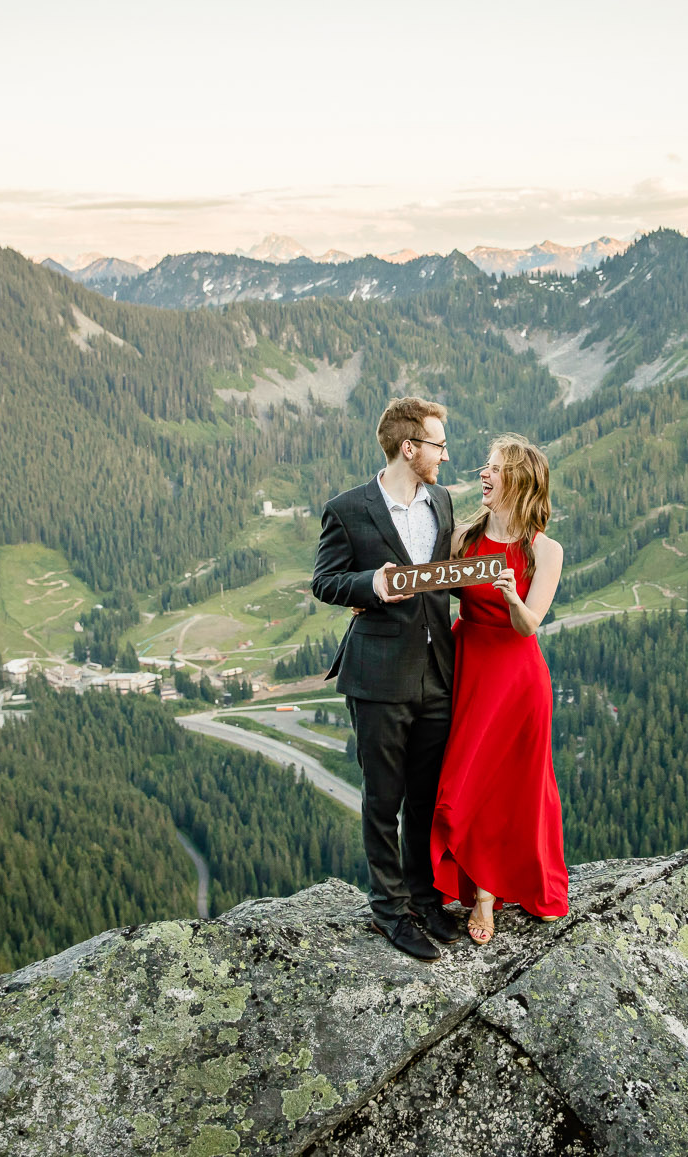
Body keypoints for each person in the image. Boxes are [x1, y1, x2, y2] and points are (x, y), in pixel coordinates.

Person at [310, 397, 465, 962]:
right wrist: (372, 585)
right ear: (409, 447)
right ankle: (388, 911)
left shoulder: (443, 501)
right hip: (376, 677)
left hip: (437, 673)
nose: (445, 456)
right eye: (438, 445)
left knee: (426, 797)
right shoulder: (348, 509)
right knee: (384, 799)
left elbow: (446, 575)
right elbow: (325, 582)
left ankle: (424, 900)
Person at [430, 434, 569, 944]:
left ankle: (488, 895)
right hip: (469, 668)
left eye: (494, 468)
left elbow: (530, 624)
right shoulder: (465, 537)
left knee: (516, 786)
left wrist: (512, 598)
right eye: (485, 467)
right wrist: (371, 594)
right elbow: (425, 583)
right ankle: (472, 886)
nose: (482, 475)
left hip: (518, 679)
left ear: (519, 481)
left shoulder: (543, 550)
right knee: (467, 779)